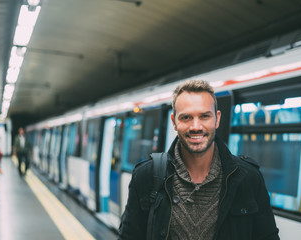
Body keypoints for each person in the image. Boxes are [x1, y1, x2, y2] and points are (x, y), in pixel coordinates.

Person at [119, 80, 279, 239]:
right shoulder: (146, 176)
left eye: (204, 116)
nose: (196, 126)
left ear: (217, 119)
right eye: (186, 117)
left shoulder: (248, 178)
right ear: (174, 122)